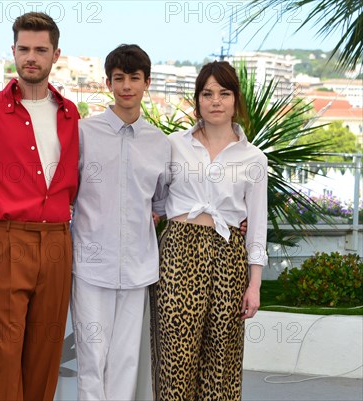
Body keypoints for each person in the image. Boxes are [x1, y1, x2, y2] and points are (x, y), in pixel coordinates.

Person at [0, 12, 80, 401]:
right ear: (13, 51)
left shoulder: (70, 114)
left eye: (40, 50)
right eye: (24, 49)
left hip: (56, 243)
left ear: (55, 55)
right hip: (8, 239)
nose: (31, 57)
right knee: (3, 351)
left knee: (45, 353)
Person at [150, 60, 268, 401]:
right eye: (207, 93)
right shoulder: (173, 144)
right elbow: (156, 200)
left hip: (228, 255)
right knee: (175, 359)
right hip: (178, 253)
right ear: (198, 99)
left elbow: (257, 225)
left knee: (222, 361)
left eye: (224, 93)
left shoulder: (254, 159)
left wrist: (255, 284)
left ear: (236, 100)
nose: (215, 101)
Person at [70, 44, 170, 401]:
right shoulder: (83, 133)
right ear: (108, 82)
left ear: (147, 82)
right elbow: (68, 193)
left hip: (138, 269)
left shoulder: (160, 143)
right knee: (92, 360)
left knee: (127, 361)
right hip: (91, 266)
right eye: (119, 78)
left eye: (134, 78)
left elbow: (160, 202)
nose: (126, 86)